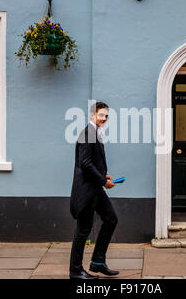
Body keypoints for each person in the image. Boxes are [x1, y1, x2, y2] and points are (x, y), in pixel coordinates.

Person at [69, 101, 119, 279]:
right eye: (101, 115)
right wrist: (103, 181)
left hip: (95, 188)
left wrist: (104, 177)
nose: (104, 118)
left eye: (106, 116)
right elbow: (85, 163)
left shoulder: (95, 133)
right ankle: (75, 271)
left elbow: (92, 162)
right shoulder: (87, 133)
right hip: (87, 190)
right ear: (92, 115)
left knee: (111, 219)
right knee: (83, 229)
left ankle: (97, 262)